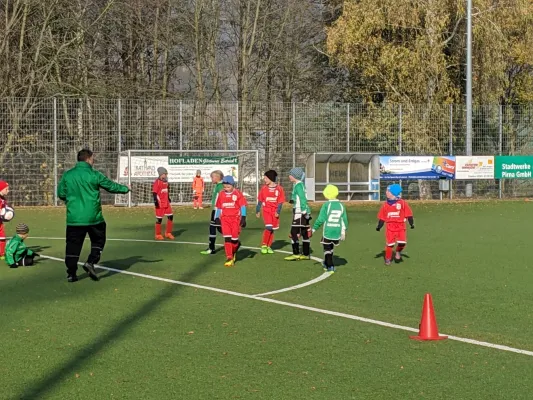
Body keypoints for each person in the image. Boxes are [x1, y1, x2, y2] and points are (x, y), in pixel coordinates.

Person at [57, 149, 130, 282]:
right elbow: (110, 186)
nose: (94, 161)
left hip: (74, 218)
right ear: (89, 159)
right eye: (93, 158)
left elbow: (61, 193)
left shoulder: (68, 175)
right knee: (99, 240)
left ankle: (71, 274)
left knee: (73, 246)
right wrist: (125, 189)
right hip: (93, 217)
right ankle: (91, 261)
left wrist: (71, 201)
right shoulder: (94, 174)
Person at [309, 185, 348, 273]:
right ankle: (327, 263)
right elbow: (344, 219)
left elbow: (321, 219)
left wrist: (314, 229)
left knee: (326, 248)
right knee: (331, 247)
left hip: (328, 230)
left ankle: (330, 265)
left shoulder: (326, 205)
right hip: (337, 230)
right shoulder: (341, 205)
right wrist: (343, 231)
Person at [376, 184, 414, 265]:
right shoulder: (385, 205)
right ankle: (388, 258)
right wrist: (379, 226)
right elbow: (382, 217)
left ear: (393, 193)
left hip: (401, 226)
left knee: (402, 243)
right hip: (390, 226)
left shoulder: (402, 203)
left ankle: (398, 251)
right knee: (390, 244)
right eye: (386, 190)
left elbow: (409, 214)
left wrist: (411, 223)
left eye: (388, 191)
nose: (386, 192)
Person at [214, 176, 247, 267]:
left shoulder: (237, 194)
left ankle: (236, 246)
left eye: (228, 187)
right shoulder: (221, 194)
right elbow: (219, 207)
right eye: (224, 187)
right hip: (225, 219)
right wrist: (217, 218)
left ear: (233, 185)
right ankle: (229, 257)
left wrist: (243, 217)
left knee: (234, 240)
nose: (226, 189)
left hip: (235, 219)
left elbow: (243, 206)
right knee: (227, 238)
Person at [285, 167, 311, 261]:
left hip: (300, 212)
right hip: (301, 211)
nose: (289, 176)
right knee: (304, 233)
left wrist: (303, 211)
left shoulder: (299, 185)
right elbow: (299, 197)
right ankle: (306, 253)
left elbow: (302, 198)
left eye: (290, 174)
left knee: (293, 232)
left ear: (294, 176)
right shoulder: (299, 185)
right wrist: (293, 200)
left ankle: (296, 253)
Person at [256, 170, 285, 254]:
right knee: (268, 227)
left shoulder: (279, 189)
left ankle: (269, 246)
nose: (264, 180)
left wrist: (278, 211)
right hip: (266, 211)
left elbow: (280, 201)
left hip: (274, 212)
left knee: (272, 229)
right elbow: (260, 200)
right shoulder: (264, 188)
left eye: (266, 178)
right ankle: (264, 245)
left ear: (271, 178)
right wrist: (257, 210)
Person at [200, 170, 224, 255]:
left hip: (218, 210)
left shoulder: (220, 186)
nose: (211, 179)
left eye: (212, 177)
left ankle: (211, 248)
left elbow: (222, 199)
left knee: (213, 228)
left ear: (217, 177)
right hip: (216, 209)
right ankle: (232, 240)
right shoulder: (218, 185)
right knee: (217, 228)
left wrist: (218, 209)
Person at [153, 167, 175, 240]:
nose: (166, 175)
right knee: (159, 219)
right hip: (160, 203)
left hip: (166, 203)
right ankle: (158, 234)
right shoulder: (157, 182)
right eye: (165, 174)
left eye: (166, 174)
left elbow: (166, 190)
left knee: (171, 217)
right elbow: (154, 193)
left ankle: (168, 233)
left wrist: (168, 197)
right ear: (161, 174)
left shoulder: (166, 182)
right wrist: (156, 202)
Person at [0, 180, 10, 260]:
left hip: (0, 222)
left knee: (2, 237)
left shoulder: (3, 199)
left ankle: (2, 253)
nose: (8, 191)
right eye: (6, 189)